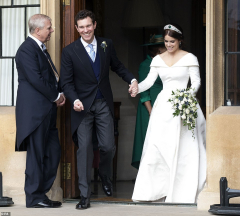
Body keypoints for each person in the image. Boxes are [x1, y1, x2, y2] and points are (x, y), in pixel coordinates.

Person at [60, 9, 138, 210]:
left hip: (103, 102)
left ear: (94, 25)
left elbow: (118, 66)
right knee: (84, 149)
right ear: (77, 29)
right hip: (82, 107)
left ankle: (104, 174)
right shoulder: (69, 51)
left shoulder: (106, 44)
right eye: (82, 27)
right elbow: (66, 82)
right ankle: (84, 195)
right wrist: (74, 99)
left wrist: (132, 79)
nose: (86, 30)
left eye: (89, 25)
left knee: (108, 146)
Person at [131, 24, 206, 203]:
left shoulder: (190, 58)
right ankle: (158, 190)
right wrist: (136, 88)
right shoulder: (157, 60)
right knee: (158, 146)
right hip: (164, 106)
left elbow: (195, 82)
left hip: (184, 104)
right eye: (166, 41)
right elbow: (149, 81)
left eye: (172, 41)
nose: (169, 45)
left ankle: (183, 191)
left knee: (184, 147)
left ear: (180, 40)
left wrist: (186, 97)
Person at [15, 14, 65, 208]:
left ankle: (40, 194)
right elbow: (36, 79)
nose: (51, 30)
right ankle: (34, 198)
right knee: (36, 156)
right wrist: (56, 96)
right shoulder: (26, 50)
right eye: (49, 28)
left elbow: (49, 77)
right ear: (38, 30)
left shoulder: (40, 48)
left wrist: (60, 92)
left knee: (53, 153)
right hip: (35, 113)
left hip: (47, 111)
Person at [131, 34, 166, 169]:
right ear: (157, 50)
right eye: (164, 46)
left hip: (162, 106)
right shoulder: (146, 65)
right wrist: (151, 112)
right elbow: (144, 92)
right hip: (149, 109)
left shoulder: (163, 63)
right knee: (150, 141)